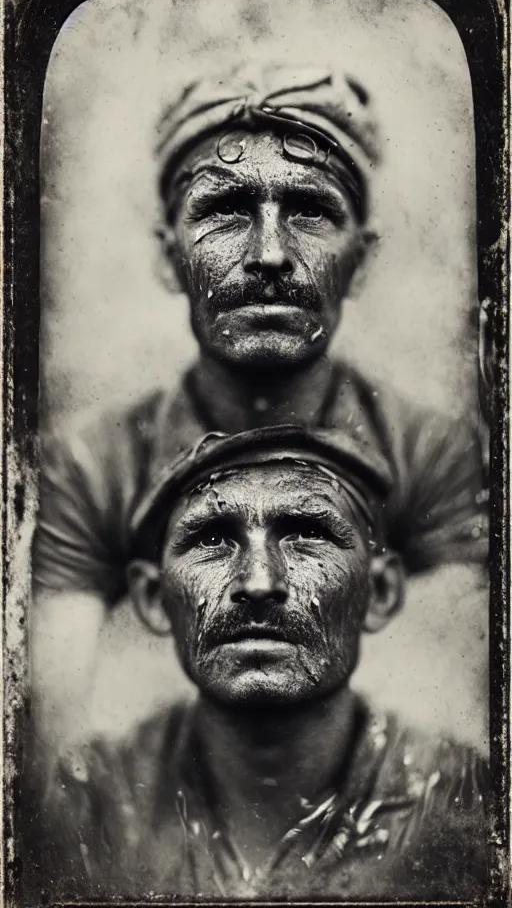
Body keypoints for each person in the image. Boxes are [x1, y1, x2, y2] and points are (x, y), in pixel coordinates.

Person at [31, 62, 488, 763]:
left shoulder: (432, 455)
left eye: (308, 210)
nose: (269, 254)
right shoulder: (89, 469)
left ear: (360, 261)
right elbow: (50, 750)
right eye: (224, 211)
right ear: (168, 256)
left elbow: (446, 737)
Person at [28, 427, 488, 902]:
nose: (259, 581)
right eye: (211, 538)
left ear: (381, 592)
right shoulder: (85, 805)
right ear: (153, 597)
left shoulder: (464, 800)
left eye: (308, 533)